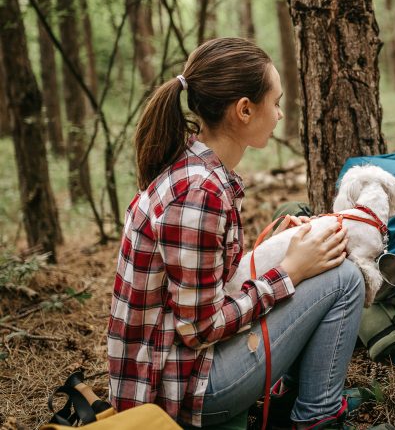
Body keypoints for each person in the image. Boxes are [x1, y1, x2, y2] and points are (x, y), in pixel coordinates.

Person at [107, 38, 364, 429]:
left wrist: (277, 247)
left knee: (319, 259)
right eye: (275, 102)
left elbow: (203, 283)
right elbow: (200, 329)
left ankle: (291, 401)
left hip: (182, 369)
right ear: (245, 110)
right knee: (343, 280)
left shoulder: (195, 167)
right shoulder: (200, 194)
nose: (279, 114)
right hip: (183, 394)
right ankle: (318, 418)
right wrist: (289, 272)